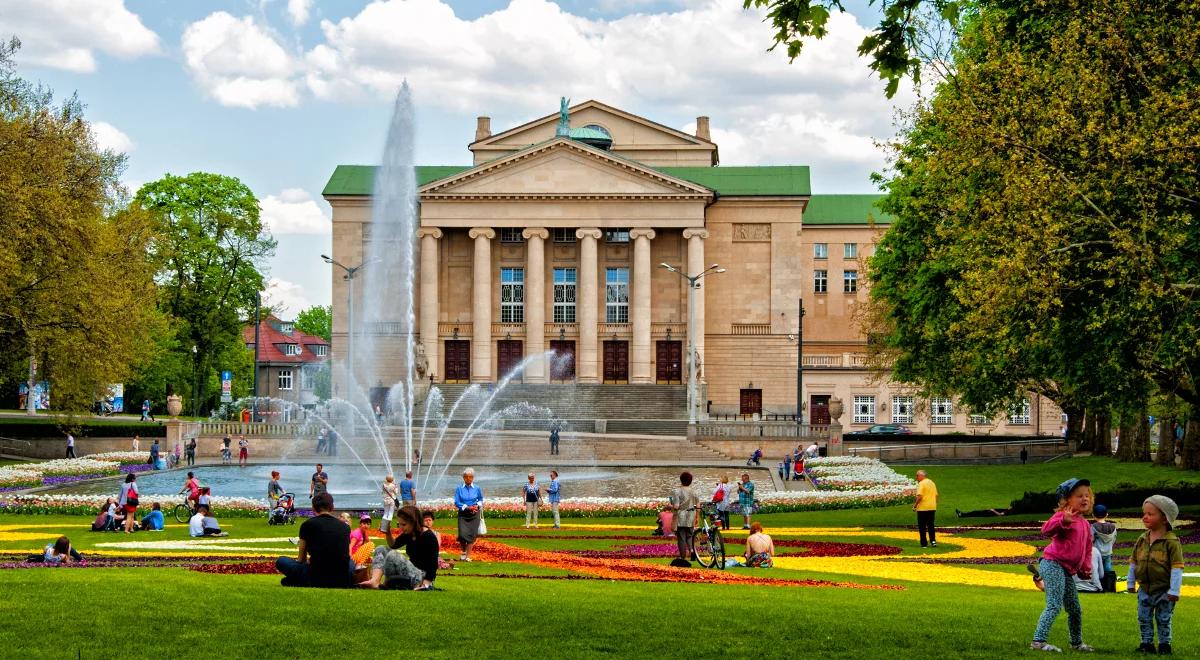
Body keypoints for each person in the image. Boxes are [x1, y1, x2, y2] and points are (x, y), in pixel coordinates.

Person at [1028, 477, 1095, 653]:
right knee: (1054, 604)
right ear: (1067, 500)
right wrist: (1063, 521)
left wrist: (1085, 568)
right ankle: (1038, 642)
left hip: (1066, 569)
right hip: (1052, 564)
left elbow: (1087, 548)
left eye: (1087, 495)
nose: (1085, 499)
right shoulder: (1063, 516)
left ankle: (1076, 643)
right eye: (1079, 496)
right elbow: (1046, 530)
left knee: (1075, 608)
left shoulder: (1086, 524)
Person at [1127, 495, 1184, 655]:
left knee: (1163, 618)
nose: (1145, 517)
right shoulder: (1142, 539)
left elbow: (1177, 568)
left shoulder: (1171, 542)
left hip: (1164, 590)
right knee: (1143, 617)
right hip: (1144, 589)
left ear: (1165, 518)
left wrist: (1174, 590)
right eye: (1144, 513)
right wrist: (1131, 583)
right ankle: (1147, 643)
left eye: (1150, 514)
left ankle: (1165, 644)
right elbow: (1133, 561)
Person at [275, 492, 354, 588]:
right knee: (351, 563)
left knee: (281, 561)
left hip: (315, 574)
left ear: (313, 508)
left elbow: (301, 559)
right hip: (341, 576)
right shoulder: (345, 527)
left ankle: (301, 581)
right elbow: (344, 556)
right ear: (332, 507)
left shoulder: (307, 525)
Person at [359, 505, 439, 590]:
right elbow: (394, 545)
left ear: (414, 522)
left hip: (422, 578)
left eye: (404, 524)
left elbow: (433, 564)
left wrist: (426, 584)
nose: (401, 528)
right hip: (409, 572)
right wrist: (388, 532)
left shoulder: (429, 537)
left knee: (393, 555)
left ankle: (388, 584)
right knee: (381, 548)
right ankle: (374, 581)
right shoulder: (409, 533)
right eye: (399, 524)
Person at [667, 471, 699, 562]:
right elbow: (698, 504)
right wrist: (697, 516)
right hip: (691, 515)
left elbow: (676, 506)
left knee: (681, 537)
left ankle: (682, 557)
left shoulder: (677, 491)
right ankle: (692, 550)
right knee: (689, 535)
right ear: (691, 481)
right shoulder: (694, 491)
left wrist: (669, 506)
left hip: (681, 516)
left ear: (681, 480)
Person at [454, 467, 484, 562]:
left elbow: (480, 499)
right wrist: (467, 507)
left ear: (473, 478)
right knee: (462, 534)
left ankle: (468, 556)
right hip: (463, 514)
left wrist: (477, 506)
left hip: (474, 514)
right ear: (463, 478)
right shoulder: (459, 489)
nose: (468, 479)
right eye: (466, 477)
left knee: (472, 535)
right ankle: (463, 552)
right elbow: (457, 502)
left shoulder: (477, 488)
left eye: (470, 477)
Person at [913, 469, 938, 548]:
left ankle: (924, 543)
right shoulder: (932, 483)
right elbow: (936, 495)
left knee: (922, 526)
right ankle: (933, 541)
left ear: (922, 476)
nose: (916, 477)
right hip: (932, 507)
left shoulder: (922, 483)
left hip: (923, 508)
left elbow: (920, 496)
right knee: (931, 525)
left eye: (917, 475)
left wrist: (915, 505)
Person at [1090, 504, 1117, 576]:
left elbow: (1090, 540)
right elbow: (1114, 539)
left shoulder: (1093, 527)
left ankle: (1099, 585)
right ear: (1106, 515)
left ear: (1093, 515)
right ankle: (1108, 585)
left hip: (1097, 553)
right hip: (1108, 552)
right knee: (1108, 570)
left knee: (1097, 571)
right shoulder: (1113, 527)